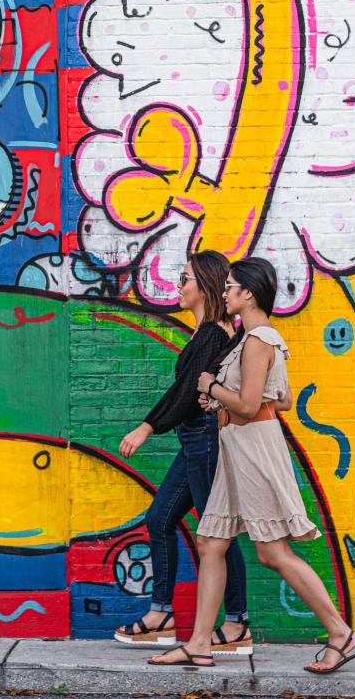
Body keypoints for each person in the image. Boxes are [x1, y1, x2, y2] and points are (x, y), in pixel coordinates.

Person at [149, 257, 355, 675]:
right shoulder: (253, 339)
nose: (224, 293)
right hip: (236, 445)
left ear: (247, 293)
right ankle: (198, 644)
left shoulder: (258, 340)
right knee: (211, 542)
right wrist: (220, 400)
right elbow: (278, 398)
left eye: (230, 287)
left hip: (251, 448)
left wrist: (211, 387)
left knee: (272, 553)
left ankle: (340, 633)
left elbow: (249, 407)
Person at [113, 250, 253, 654]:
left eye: (185, 277)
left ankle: (236, 624)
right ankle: (162, 615)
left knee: (217, 534)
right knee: (160, 518)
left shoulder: (214, 332)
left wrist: (147, 425)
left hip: (206, 438)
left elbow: (188, 391)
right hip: (196, 440)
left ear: (206, 285)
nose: (179, 284)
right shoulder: (209, 331)